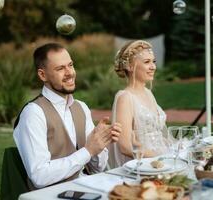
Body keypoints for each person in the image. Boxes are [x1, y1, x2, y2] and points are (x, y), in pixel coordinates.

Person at [13, 42, 121, 189]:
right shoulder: (33, 113)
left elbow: (98, 169)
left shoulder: (81, 108)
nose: (69, 72)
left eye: (70, 65)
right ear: (42, 75)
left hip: (87, 187)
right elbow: (39, 176)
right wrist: (87, 151)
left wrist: (99, 145)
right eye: (60, 68)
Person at [108, 40, 169, 168]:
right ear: (129, 67)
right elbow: (124, 147)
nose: (153, 66)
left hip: (162, 159)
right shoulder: (125, 98)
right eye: (147, 62)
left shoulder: (148, 93)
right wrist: (157, 158)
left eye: (153, 61)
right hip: (143, 166)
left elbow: (156, 134)